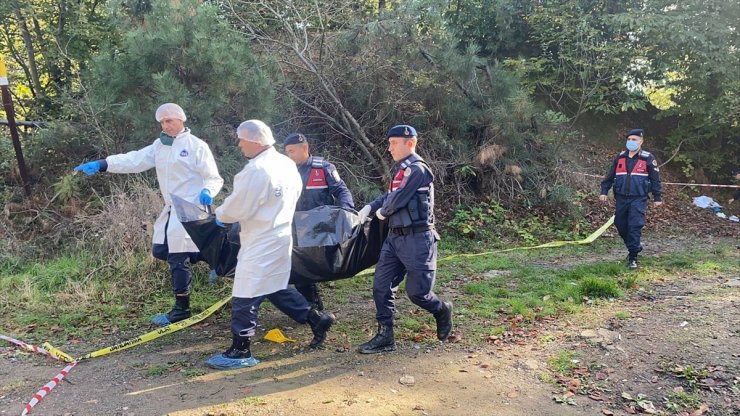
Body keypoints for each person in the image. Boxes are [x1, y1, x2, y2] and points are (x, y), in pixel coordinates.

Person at [74, 103, 223, 325]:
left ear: (181, 119)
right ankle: (216, 259)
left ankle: (182, 308)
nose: (165, 125)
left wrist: (208, 191)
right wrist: (103, 164)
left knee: (177, 257)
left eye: (169, 120)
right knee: (160, 250)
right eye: (162, 122)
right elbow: (134, 159)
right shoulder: (159, 146)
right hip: (172, 209)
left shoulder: (196, 146)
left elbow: (213, 177)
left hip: (192, 208)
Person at [205, 120, 335, 370]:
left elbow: (237, 206)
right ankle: (316, 318)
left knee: (245, 290)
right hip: (282, 235)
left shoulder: (255, 171)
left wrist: (219, 216)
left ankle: (240, 349)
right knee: (273, 285)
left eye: (242, 139)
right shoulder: (285, 164)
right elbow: (295, 193)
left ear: (255, 141)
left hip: (259, 239)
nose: (240, 144)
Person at [355, 125, 453, 354]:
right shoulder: (401, 170)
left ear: (410, 143)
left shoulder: (418, 170)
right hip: (394, 240)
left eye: (394, 143)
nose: (389, 148)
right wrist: (371, 206)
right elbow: (389, 196)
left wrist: (382, 213)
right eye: (389, 143)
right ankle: (385, 336)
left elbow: (398, 199)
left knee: (418, 294)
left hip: (418, 240)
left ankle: (441, 310)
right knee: (381, 286)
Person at [283, 133, 355, 310]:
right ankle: (313, 306)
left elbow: (342, 191)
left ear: (305, 149)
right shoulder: (284, 170)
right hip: (295, 226)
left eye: (292, 151)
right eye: (287, 152)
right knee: (299, 268)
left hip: (321, 227)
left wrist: (346, 211)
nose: (289, 156)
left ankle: (313, 304)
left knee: (319, 267)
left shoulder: (323, 168)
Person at [599, 128, 662, 270]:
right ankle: (634, 247)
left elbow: (655, 180)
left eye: (634, 140)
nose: (631, 142)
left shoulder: (647, 158)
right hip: (621, 197)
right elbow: (609, 176)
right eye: (629, 139)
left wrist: (657, 197)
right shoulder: (620, 157)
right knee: (620, 224)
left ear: (641, 141)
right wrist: (604, 191)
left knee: (634, 225)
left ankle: (633, 257)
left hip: (638, 198)